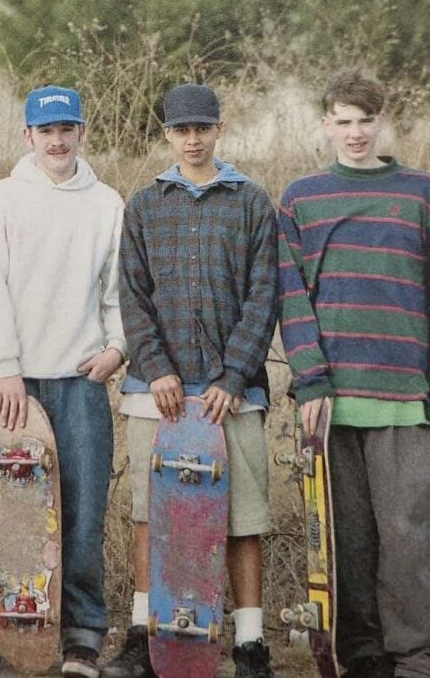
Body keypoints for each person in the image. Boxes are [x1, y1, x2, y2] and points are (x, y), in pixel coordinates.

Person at [277, 69, 430, 677]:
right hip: (334, 400)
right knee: (347, 542)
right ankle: (363, 654)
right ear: (325, 124)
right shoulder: (301, 197)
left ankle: (417, 654)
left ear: (383, 121)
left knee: (406, 539)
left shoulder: (421, 194)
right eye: (343, 121)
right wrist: (311, 379)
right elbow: (291, 297)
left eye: (365, 121)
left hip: (407, 395)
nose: (355, 133)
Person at [107, 83, 278, 678]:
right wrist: (156, 369)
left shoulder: (251, 201)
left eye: (202, 128)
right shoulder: (145, 204)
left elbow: (264, 293)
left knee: (241, 517)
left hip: (233, 393)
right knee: (152, 513)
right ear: (167, 135)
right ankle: (143, 634)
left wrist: (233, 376)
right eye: (182, 130)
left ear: (218, 129)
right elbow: (132, 295)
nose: (193, 139)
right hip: (158, 391)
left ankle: (250, 643)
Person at [0, 85, 125, 678]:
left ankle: (81, 634)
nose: (57, 140)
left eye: (67, 129)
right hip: (12, 382)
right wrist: (5, 365)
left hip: (79, 380)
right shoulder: (1, 199)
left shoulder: (106, 203)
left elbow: (115, 292)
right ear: (27, 136)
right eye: (46, 130)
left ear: (81, 133)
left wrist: (117, 348)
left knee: (82, 506)